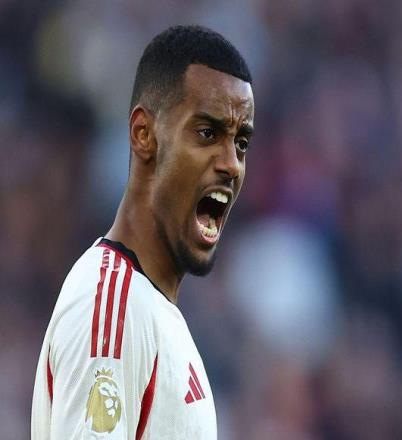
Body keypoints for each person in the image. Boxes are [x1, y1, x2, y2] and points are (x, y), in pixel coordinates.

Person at [31, 25, 254, 439]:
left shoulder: (152, 313)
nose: (231, 164)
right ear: (143, 134)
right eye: (208, 133)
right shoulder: (111, 305)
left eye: (241, 142)